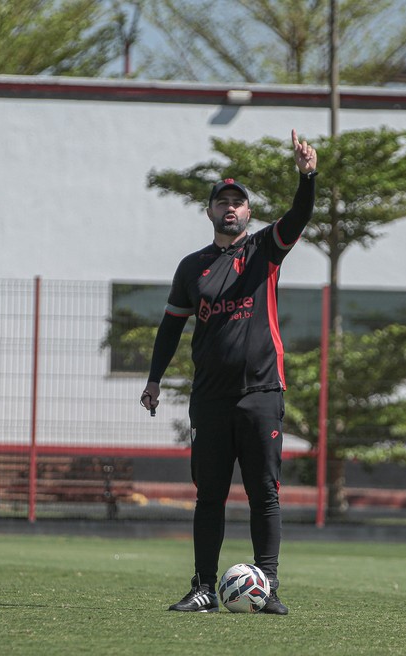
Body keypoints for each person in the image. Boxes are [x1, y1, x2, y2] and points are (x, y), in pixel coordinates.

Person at [140, 129, 318, 615]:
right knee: (209, 496)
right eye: (223, 202)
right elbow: (170, 328)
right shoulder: (191, 267)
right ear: (210, 211)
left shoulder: (265, 250)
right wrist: (154, 378)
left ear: (248, 213)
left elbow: (300, 217)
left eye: (238, 203)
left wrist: (307, 178)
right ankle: (202, 587)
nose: (231, 209)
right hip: (211, 399)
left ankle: (270, 586)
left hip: (262, 393)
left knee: (265, 493)